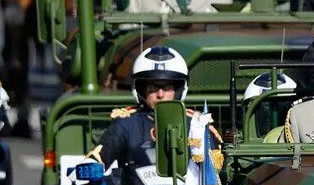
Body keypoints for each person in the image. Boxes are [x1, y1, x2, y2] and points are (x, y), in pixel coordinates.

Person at [89, 45, 219, 171]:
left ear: (178, 90)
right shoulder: (126, 124)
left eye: (167, 87)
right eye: (153, 88)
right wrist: (91, 166)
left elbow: (216, 169)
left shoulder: (197, 124)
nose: (160, 95)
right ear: (141, 90)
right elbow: (98, 158)